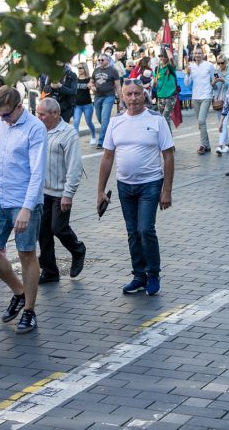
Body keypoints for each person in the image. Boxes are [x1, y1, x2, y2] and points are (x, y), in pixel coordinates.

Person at [97, 81, 175, 296]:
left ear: (144, 95)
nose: (133, 98)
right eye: (128, 94)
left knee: (145, 229)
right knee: (132, 232)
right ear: (122, 96)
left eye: (137, 94)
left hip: (150, 183)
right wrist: (100, 191)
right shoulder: (115, 122)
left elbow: (168, 156)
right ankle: (138, 276)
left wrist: (166, 190)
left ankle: (153, 274)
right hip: (124, 185)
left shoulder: (157, 120)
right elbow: (107, 157)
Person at [0, 86, 47, 335]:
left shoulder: (35, 128)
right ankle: (19, 292)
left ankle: (29, 310)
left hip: (23, 199)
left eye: (7, 114)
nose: (3, 119)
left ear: (20, 106)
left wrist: (27, 208)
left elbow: (38, 172)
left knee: (26, 253)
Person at [35, 98, 87, 284]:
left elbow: (74, 167)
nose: (38, 117)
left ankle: (78, 249)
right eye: (37, 113)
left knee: (58, 227)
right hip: (41, 191)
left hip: (60, 192)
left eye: (42, 114)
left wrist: (68, 194)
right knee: (43, 232)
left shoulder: (68, 133)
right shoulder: (37, 130)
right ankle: (49, 271)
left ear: (55, 114)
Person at [187, 47, 216, 155]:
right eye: (196, 53)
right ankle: (207, 145)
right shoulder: (191, 66)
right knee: (201, 123)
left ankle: (203, 145)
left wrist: (214, 85)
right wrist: (188, 73)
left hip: (206, 95)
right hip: (195, 97)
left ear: (203, 54)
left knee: (201, 120)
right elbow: (186, 83)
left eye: (199, 53)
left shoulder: (209, 65)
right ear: (193, 54)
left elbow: (215, 78)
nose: (197, 55)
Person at [91, 53, 122, 149]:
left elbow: (118, 86)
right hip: (97, 97)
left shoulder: (113, 71)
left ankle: (101, 141)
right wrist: (91, 86)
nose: (100, 62)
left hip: (109, 97)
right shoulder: (96, 70)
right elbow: (91, 82)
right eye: (99, 60)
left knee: (104, 119)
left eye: (102, 60)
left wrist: (121, 101)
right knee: (100, 118)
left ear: (108, 60)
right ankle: (111, 134)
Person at [152, 50, 179, 131]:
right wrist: (154, 83)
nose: (163, 58)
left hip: (170, 95)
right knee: (164, 119)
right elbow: (155, 83)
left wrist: (167, 49)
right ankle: (167, 138)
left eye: (164, 56)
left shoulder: (170, 67)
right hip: (160, 96)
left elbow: (171, 58)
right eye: (161, 56)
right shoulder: (157, 69)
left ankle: (168, 139)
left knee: (164, 117)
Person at [73, 62, 97, 145]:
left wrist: (92, 88)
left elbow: (94, 91)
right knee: (76, 122)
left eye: (80, 68)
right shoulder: (75, 78)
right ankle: (75, 140)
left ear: (84, 69)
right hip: (77, 105)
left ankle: (93, 136)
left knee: (89, 122)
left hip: (87, 104)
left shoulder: (89, 79)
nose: (79, 69)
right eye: (78, 68)